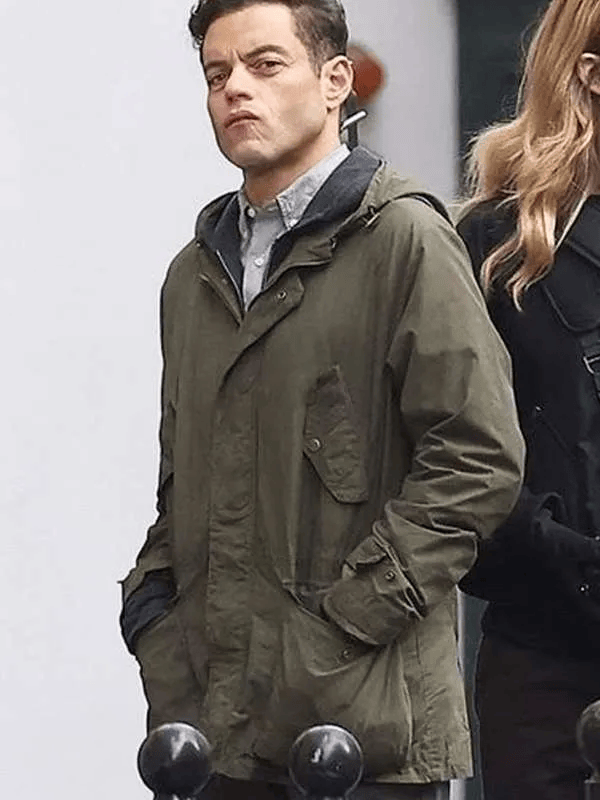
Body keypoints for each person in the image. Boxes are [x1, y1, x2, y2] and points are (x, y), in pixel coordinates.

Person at [119, 1, 524, 798]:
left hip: (361, 737)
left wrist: (343, 626)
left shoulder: (405, 239)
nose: (236, 89)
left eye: (265, 64)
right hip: (210, 733)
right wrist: (153, 614)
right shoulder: (192, 276)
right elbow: (182, 484)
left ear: (336, 80)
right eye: (216, 73)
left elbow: (478, 460)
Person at [458, 1, 600, 798]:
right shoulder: (495, 244)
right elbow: (453, 456)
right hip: (544, 660)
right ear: (592, 74)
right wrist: (564, 559)